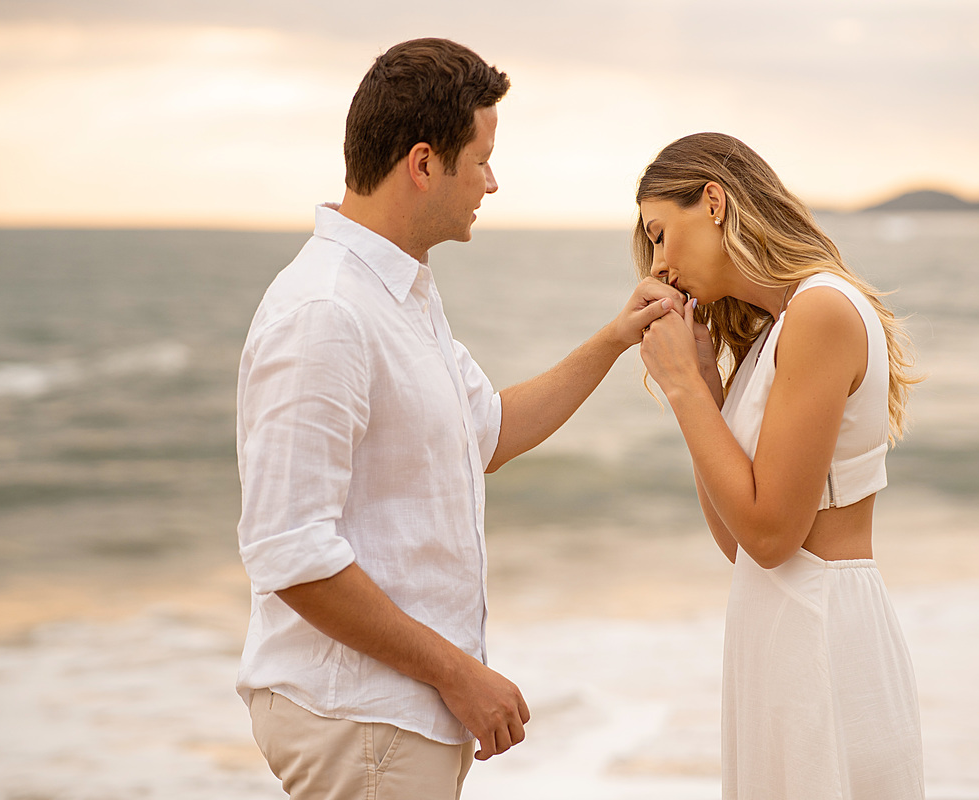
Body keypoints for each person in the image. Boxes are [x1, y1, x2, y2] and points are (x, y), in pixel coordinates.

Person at [234, 38, 683, 800]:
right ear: (422, 163)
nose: (492, 181)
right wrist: (458, 673)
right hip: (362, 719)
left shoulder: (402, 294)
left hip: (395, 715)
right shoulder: (326, 311)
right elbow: (290, 554)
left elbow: (490, 432)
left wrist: (615, 339)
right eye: (480, 159)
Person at [633, 133, 925, 799]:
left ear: (713, 201)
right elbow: (737, 539)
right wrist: (705, 389)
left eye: (658, 233)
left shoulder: (821, 309)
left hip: (823, 635)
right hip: (776, 630)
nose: (657, 264)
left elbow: (771, 536)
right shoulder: (774, 331)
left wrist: (682, 389)